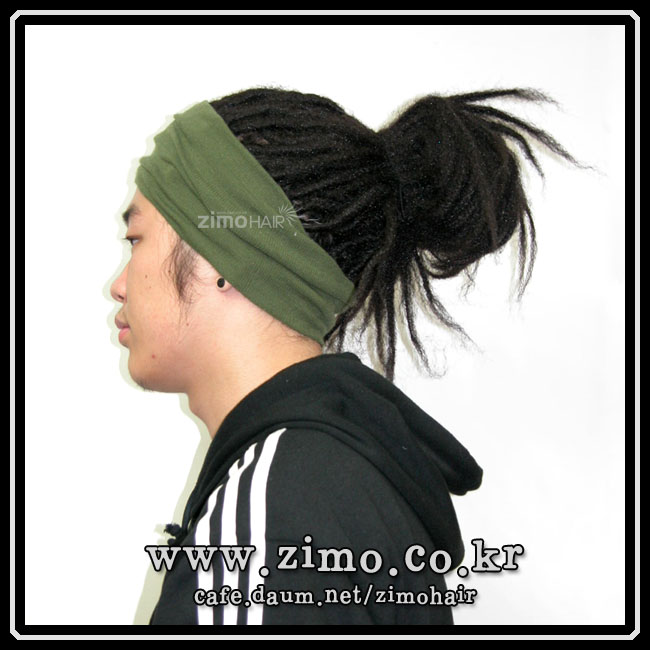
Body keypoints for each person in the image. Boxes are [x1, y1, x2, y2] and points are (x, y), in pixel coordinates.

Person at [110, 87, 581, 625]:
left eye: (136, 239)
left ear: (227, 259)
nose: (118, 285)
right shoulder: (334, 479)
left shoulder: (265, 531)